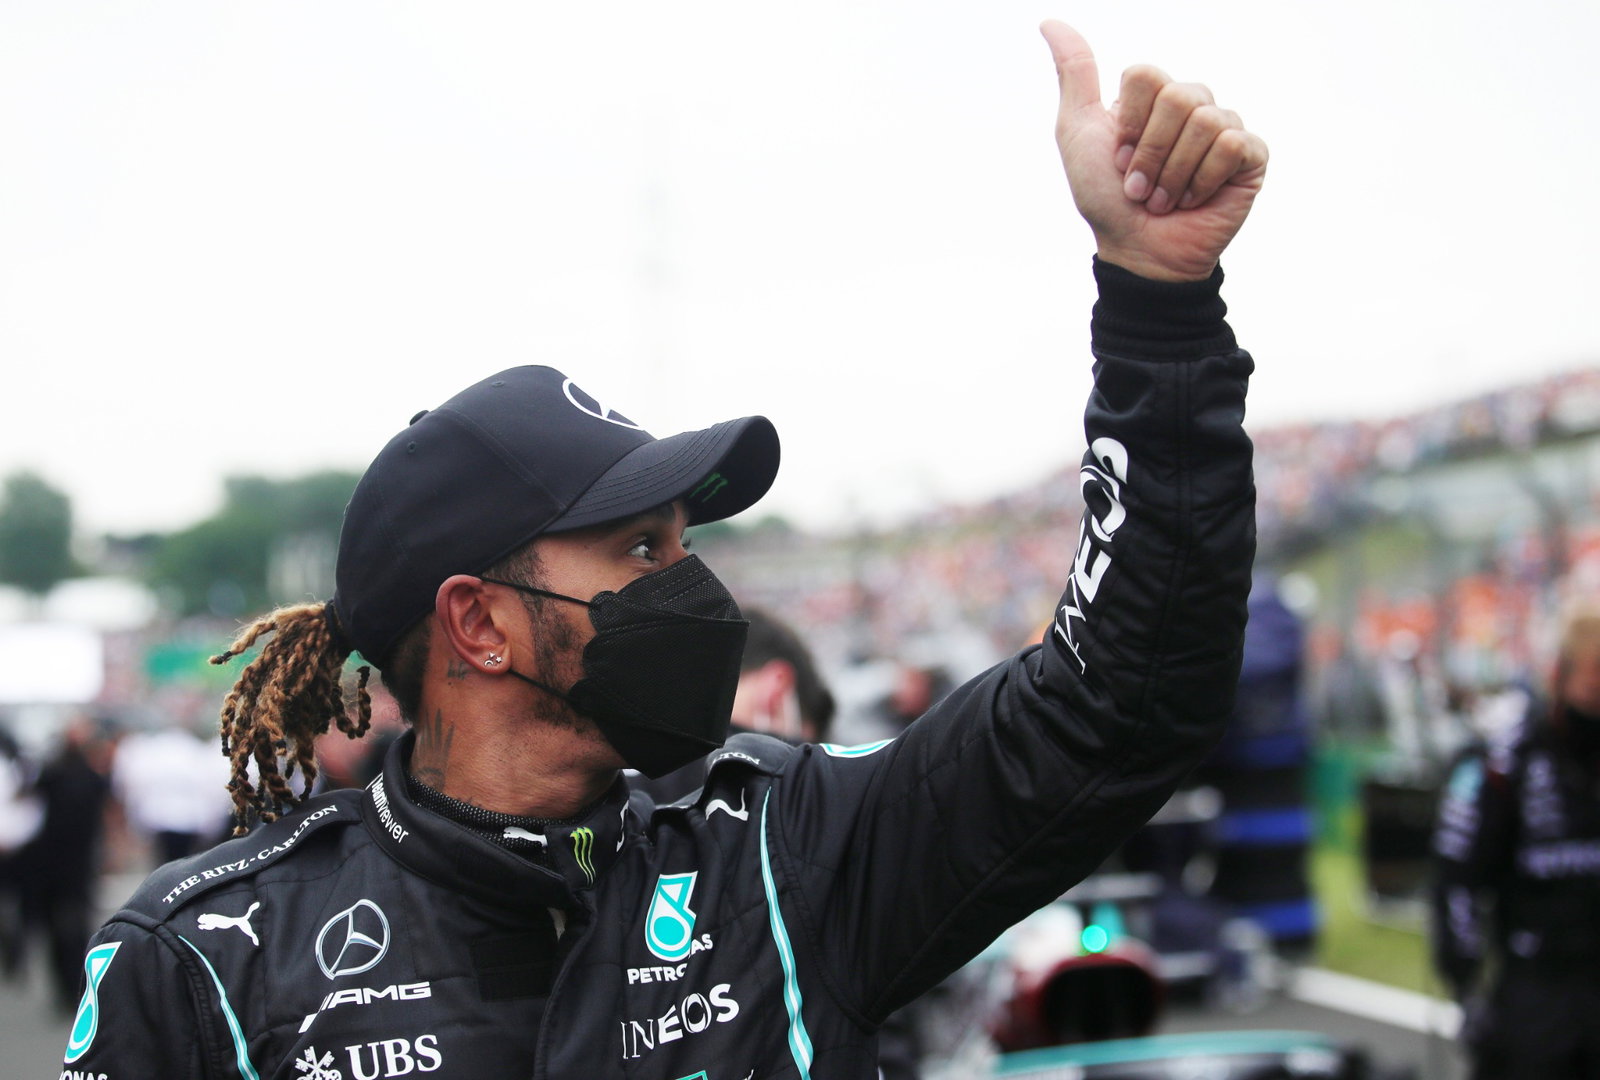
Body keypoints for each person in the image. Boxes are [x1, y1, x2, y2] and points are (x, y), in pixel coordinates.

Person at [62, 22, 1264, 1078]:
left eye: (684, 543)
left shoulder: (788, 849)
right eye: (639, 548)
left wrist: (1159, 302)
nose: (691, 587)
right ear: (477, 622)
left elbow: (1121, 702)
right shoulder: (206, 960)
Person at [1432, 604, 1600, 1079]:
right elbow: (1455, 877)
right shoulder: (1505, 760)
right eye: (1593, 683)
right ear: (1559, 673)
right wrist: (1465, 986)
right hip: (1534, 985)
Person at [631, 606, 837, 804]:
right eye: (801, 745)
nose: (797, 752)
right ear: (775, 689)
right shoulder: (731, 781)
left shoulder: (619, 741)